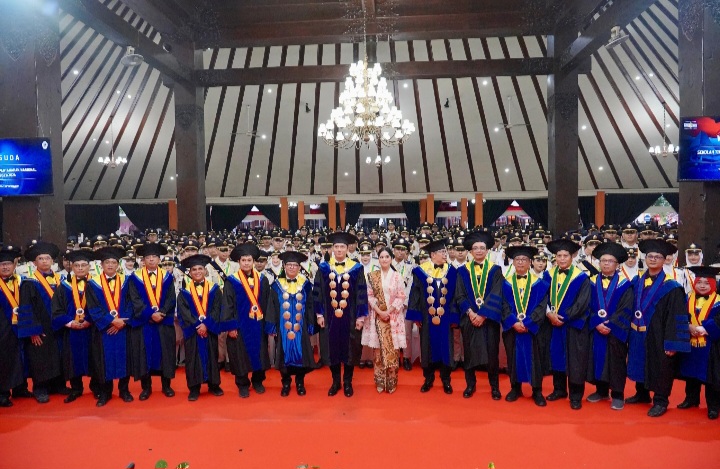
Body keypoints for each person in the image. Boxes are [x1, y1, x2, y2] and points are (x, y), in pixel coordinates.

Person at [626, 239, 690, 417]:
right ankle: (642, 393)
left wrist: (672, 343)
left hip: (659, 334)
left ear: (664, 260)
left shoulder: (672, 287)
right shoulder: (637, 281)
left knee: (661, 367)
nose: (653, 259)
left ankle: (661, 400)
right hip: (638, 331)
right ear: (645, 259)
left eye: (658, 257)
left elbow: (676, 316)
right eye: (650, 256)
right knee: (639, 360)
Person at [314, 231, 368, 397]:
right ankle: (335, 381)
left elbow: (361, 293)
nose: (339, 250)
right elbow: (318, 292)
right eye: (336, 246)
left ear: (347, 248)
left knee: (350, 349)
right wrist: (319, 315)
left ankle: (348, 382)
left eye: (342, 247)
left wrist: (360, 317)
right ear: (332, 248)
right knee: (332, 349)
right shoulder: (323, 268)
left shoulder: (357, 268)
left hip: (349, 317)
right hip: (329, 317)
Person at [454, 231, 504, 400]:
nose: (479, 251)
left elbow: (497, 294)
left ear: (487, 250)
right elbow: (459, 295)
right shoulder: (462, 271)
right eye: (475, 248)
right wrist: (470, 313)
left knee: (492, 353)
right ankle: (470, 384)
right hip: (469, 318)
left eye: (482, 248)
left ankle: (494, 386)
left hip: (489, 320)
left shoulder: (495, 270)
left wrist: (483, 315)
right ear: (470, 251)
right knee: (469, 352)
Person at [500, 245, 550, 407]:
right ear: (513, 262)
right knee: (513, 357)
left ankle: (537, 390)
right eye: (517, 259)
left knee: (536, 358)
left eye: (524, 259)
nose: (520, 262)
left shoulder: (540, 284)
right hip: (512, 328)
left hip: (533, 329)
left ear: (530, 263)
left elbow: (542, 307)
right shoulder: (505, 283)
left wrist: (528, 323)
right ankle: (515, 388)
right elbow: (503, 305)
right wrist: (513, 322)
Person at [407, 238, 459, 394]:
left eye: (445, 251)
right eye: (442, 252)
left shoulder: (452, 271)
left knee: (446, 348)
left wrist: (454, 317)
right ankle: (428, 379)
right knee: (427, 347)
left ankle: (446, 380)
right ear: (433, 254)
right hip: (426, 317)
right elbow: (415, 294)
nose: (445, 254)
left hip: (445, 318)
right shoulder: (420, 271)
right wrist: (417, 316)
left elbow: (455, 296)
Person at [544, 238, 591, 409]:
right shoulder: (548, 275)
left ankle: (576, 395)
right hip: (553, 324)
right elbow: (542, 298)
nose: (562, 259)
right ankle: (559, 389)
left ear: (572, 257)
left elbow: (582, 303)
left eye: (565, 256)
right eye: (559, 256)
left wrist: (563, 317)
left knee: (575, 360)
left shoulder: (581, 277)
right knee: (557, 356)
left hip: (573, 325)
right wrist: (549, 314)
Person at [586, 242, 634, 410]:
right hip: (597, 329)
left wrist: (611, 324)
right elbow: (586, 305)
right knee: (598, 359)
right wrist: (596, 323)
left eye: (610, 261)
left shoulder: (625, 285)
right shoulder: (590, 282)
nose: (606, 264)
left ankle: (618, 394)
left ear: (617, 264)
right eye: (603, 260)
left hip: (616, 331)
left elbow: (627, 308)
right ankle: (601, 391)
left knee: (616, 362)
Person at [85, 246, 134, 407]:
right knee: (103, 360)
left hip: (123, 328)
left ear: (118, 264)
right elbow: (93, 307)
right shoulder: (93, 284)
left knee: (124, 358)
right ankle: (105, 392)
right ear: (102, 265)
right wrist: (111, 321)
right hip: (104, 330)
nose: (111, 265)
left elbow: (131, 303)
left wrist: (122, 322)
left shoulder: (127, 281)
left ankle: (124, 390)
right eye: (107, 262)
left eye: (114, 262)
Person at [17, 241, 65, 403]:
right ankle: (40, 388)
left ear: (53, 261)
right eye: (41, 258)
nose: (45, 261)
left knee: (59, 355)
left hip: (59, 326)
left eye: (47, 258)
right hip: (41, 328)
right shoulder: (29, 283)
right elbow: (26, 308)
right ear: (34, 262)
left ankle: (58, 385)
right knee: (41, 358)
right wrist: (33, 331)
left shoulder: (60, 280)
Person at [128, 242, 177, 400]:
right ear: (143, 260)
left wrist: (162, 312)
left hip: (163, 321)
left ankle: (166, 386)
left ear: (159, 259)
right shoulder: (135, 278)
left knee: (165, 353)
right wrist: (150, 314)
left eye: (154, 257)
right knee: (144, 354)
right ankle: (146, 387)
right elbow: (135, 300)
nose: (151, 259)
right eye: (148, 257)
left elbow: (171, 298)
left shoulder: (167, 277)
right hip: (145, 323)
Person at [222, 243, 271, 398]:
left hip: (258, 324)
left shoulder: (262, 280)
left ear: (254, 261)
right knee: (240, 355)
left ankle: (258, 381)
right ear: (239, 262)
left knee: (260, 353)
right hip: (240, 325)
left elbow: (267, 303)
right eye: (243, 260)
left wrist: (269, 325)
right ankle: (242, 384)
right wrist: (231, 326)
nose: (246, 263)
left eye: (249, 260)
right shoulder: (232, 281)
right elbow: (227, 304)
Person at [266, 251, 317, 396]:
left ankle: (300, 382)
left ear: (300, 268)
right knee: (284, 356)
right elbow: (271, 306)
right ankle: (286, 383)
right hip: (283, 328)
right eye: (289, 265)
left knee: (302, 355)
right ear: (284, 266)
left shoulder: (305, 285)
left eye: (295, 265)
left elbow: (310, 306)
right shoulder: (276, 286)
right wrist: (272, 327)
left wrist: (311, 325)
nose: (292, 267)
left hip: (301, 327)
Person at [177, 254, 224, 401]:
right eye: (194, 269)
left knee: (212, 356)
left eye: (200, 269)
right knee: (192, 358)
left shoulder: (215, 289)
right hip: (193, 332)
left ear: (205, 270)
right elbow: (184, 313)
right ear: (190, 273)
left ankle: (214, 385)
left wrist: (206, 325)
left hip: (209, 330)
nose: (197, 272)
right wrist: (198, 326)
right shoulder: (184, 292)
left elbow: (217, 309)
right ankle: (194, 388)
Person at [50, 250, 94, 403]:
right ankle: (76, 389)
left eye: (83, 265)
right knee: (72, 359)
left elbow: (102, 306)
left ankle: (96, 387)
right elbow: (56, 309)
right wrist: (70, 322)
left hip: (91, 329)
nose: (80, 268)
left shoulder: (96, 284)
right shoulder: (63, 286)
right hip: (72, 331)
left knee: (94, 358)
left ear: (89, 267)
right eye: (77, 265)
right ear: (72, 267)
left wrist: (89, 320)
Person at [677, 266, 720, 419]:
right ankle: (691, 399)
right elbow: (681, 315)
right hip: (691, 342)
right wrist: (688, 326)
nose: (702, 285)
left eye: (706, 283)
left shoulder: (719, 301)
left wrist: (703, 329)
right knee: (690, 373)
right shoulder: (687, 298)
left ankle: (713, 406)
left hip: (711, 345)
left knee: (711, 376)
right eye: (699, 282)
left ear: (713, 284)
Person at [362, 247, 407, 394]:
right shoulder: (372, 276)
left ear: (391, 259)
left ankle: (392, 380)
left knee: (393, 350)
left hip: (393, 318)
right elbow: (369, 296)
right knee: (378, 351)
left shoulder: (397, 276)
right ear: (378, 259)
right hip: (377, 317)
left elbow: (401, 296)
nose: (384, 259)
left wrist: (389, 311)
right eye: (381, 257)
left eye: (387, 257)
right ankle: (380, 380)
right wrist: (380, 311)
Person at [0, 246, 32, 407]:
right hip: (3, 328)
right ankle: (3, 393)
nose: (5, 267)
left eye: (8, 264)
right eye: (2, 264)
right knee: (4, 358)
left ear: (14, 265)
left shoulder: (23, 282)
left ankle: (21, 388)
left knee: (22, 356)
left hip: (22, 324)